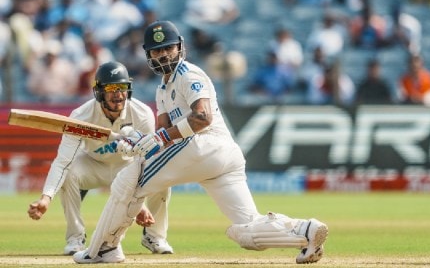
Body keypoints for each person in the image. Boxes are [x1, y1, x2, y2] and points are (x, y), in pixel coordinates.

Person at [72, 21, 328, 264]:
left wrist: (156, 141)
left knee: (128, 180)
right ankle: (306, 231)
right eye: (156, 51)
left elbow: (202, 117)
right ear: (148, 55)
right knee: (246, 229)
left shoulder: (188, 74)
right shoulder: (163, 89)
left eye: (167, 48)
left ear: (180, 47)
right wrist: (135, 140)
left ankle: (104, 248)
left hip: (204, 144)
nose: (163, 55)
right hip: (221, 158)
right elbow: (161, 134)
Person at [27, 61, 174, 256]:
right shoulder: (81, 115)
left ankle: (155, 236)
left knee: (161, 175)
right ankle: (75, 239)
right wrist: (45, 198)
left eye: (122, 88)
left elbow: (145, 160)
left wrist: (139, 204)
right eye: (111, 88)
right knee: (70, 172)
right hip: (93, 165)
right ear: (99, 92)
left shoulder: (142, 113)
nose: (118, 94)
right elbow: (62, 162)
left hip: (127, 168)